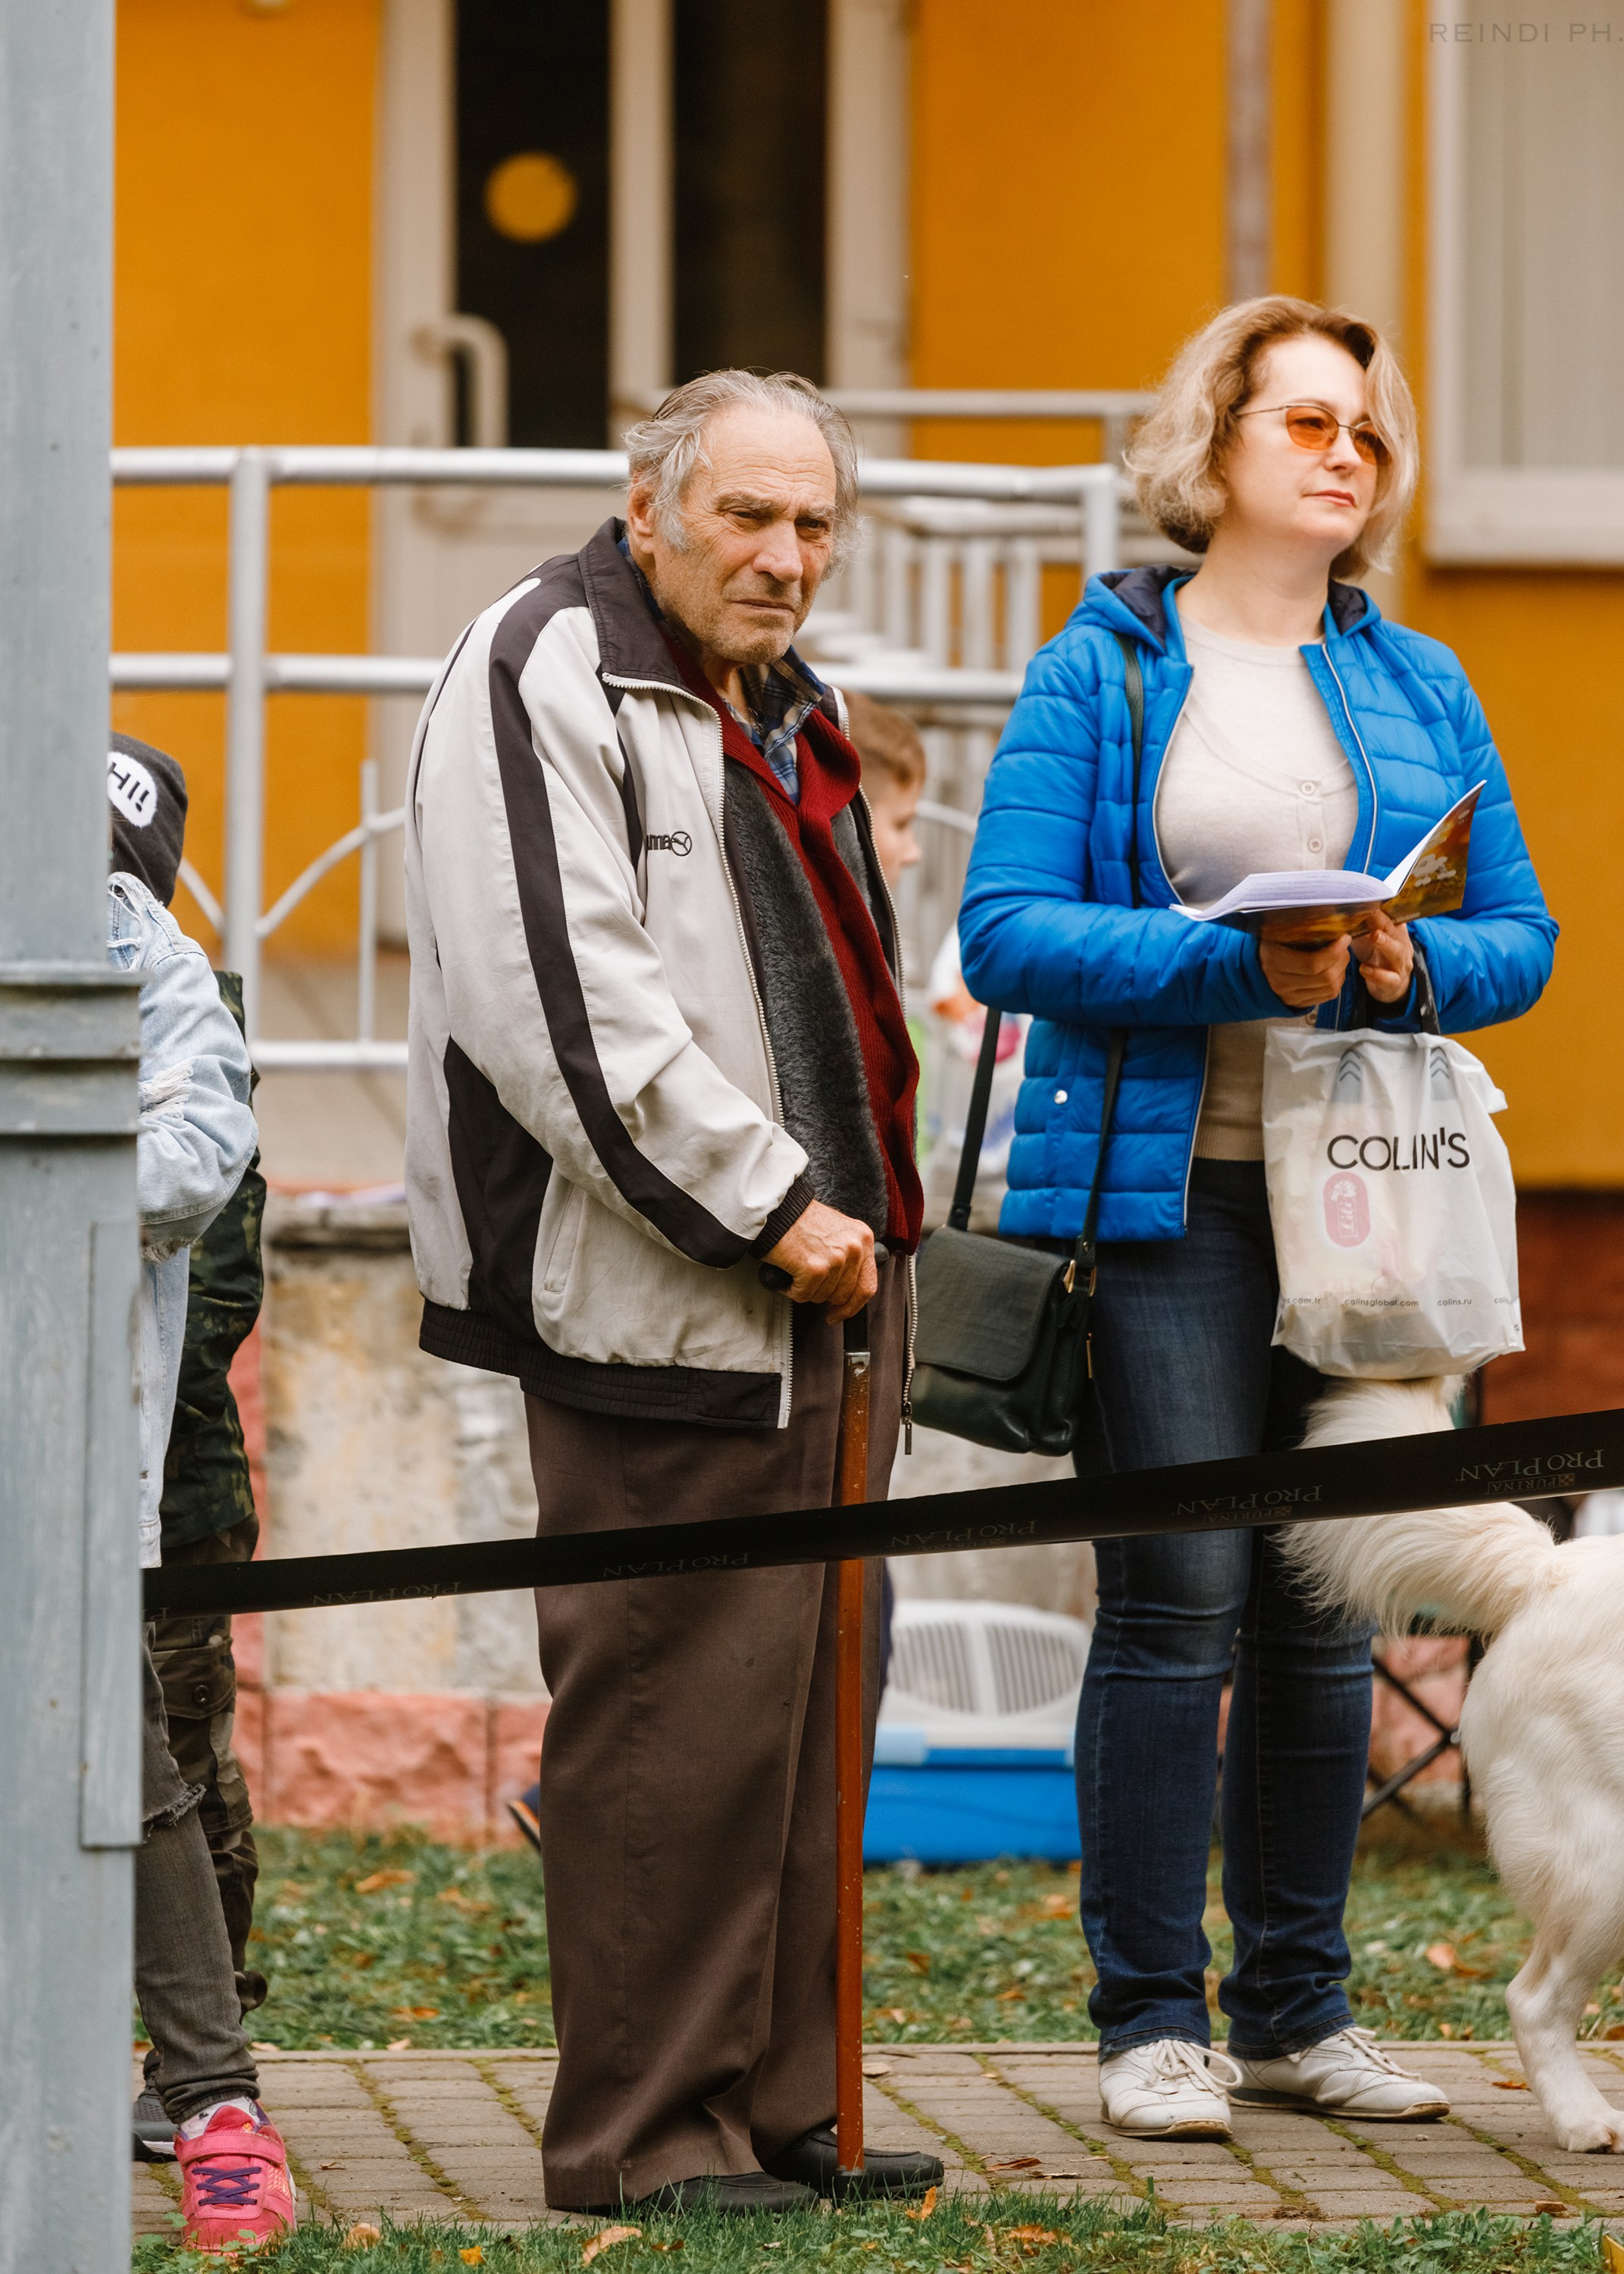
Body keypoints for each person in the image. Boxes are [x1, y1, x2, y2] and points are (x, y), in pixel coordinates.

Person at [959, 298, 1556, 2140]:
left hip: (1370, 1207)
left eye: (1363, 431)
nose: (1341, 454)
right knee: (1181, 1600)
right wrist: (1232, 958)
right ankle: (1152, 2018)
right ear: (1209, 445)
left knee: (1329, 1609)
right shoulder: (1105, 669)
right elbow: (1003, 931)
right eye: (1301, 419)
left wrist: (1395, 962)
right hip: (1170, 1207)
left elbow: (1517, 944)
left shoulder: (1419, 679)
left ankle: (1301, 2011)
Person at [404, 369, 940, 2214]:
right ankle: (642, 2139)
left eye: (813, 524)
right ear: (650, 509)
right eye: (747, 517)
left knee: (799, 1725)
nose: (785, 557)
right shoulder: (541, 661)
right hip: (672, 1297)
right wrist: (770, 1209)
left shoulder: (789, 704)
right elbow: (558, 1010)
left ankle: (781, 2109)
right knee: (669, 1731)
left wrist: (865, 1227)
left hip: (837, 1295)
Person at [107, 735, 294, 2250]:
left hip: (97, 1459)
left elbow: (198, 1154)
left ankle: (212, 2101)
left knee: (144, 1769)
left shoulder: (153, 963)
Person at [132, 957, 269, 2161]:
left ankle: (201, 2065)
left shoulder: (184, 1013)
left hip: (176, 1496)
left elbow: (218, 1286)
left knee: (178, 1770)